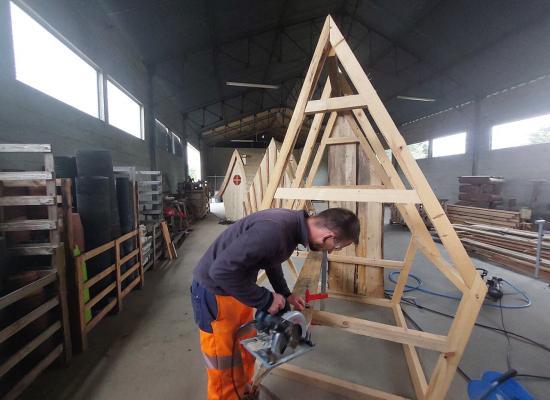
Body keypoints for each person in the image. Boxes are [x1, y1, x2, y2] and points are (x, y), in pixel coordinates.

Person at [190, 207, 360, 400]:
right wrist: (266, 299)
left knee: (243, 350)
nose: (330, 251)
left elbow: (270, 257)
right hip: (215, 292)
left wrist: (285, 294)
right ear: (328, 236)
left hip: (239, 289)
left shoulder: (290, 227)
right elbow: (220, 272)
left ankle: (243, 391)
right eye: (335, 247)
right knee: (225, 365)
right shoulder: (274, 230)